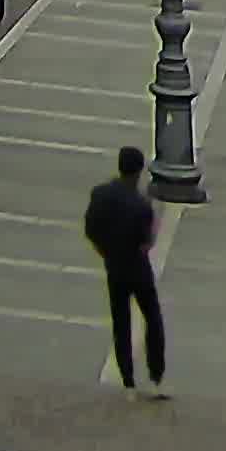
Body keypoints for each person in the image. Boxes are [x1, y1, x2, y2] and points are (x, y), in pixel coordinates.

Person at [84, 145, 168, 396]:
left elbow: (91, 229)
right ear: (139, 171)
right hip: (137, 266)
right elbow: (147, 241)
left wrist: (104, 251)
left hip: (114, 264)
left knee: (121, 321)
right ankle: (155, 374)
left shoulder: (100, 194)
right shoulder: (141, 205)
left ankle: (127, 378)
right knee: (152, 317)